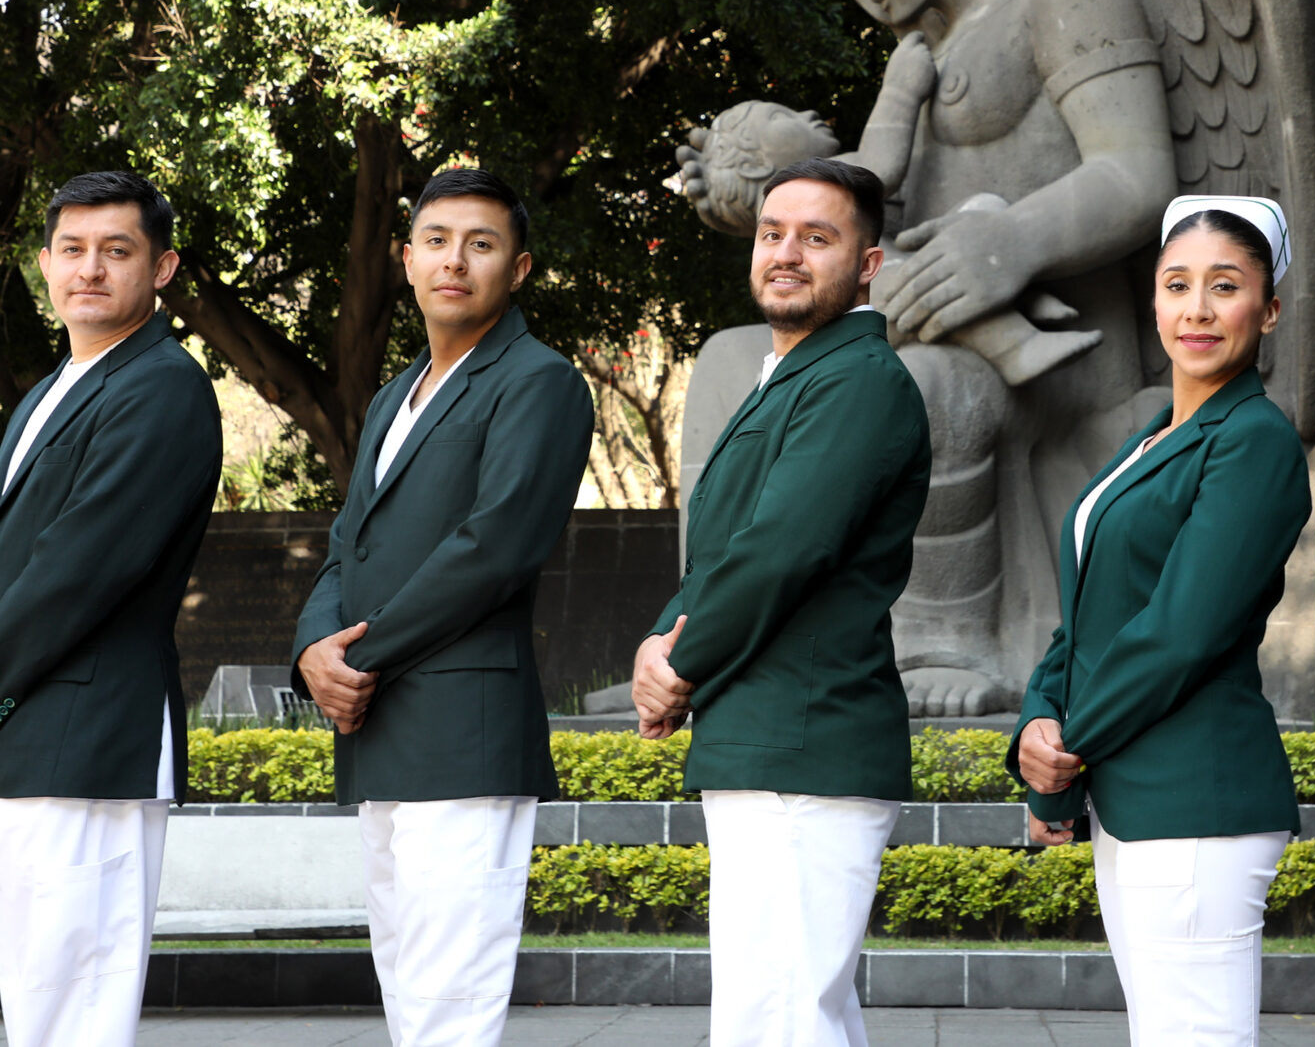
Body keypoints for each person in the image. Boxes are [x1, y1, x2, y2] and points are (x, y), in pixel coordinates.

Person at [0, 170, 223, 1047]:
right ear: (44, 262)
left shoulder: (161, 387)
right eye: (73, 250)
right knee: (43, 1001)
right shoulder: (51, 390)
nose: (90, 269)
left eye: (116, 251)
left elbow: (78, 569)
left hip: (95, 736)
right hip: (25, 733)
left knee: (75, 1004)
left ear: (160, 269)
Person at [631, 157, 933, 1047]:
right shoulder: (795, 374)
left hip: (808, 744)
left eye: (818, 236)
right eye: (773, 234)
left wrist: (674, 663)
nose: (787, 253)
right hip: (765, 741)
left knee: (786, 1019)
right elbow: (727, 550)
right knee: (779, 1016)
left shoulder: (859, 381)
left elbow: (782, 550)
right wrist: (658, 643)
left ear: (869, 262)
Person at [291, 166, 592, 1047]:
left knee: (451, 992)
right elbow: (351, 540)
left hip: (464, 727)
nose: (453, 260)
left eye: (481, 244)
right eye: (435, 240)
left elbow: (494, 546)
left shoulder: (537, 381)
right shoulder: (394, 396)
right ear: (407, 259)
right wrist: (315, 647)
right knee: (409, 982)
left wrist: (361, 653)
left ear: (520, 268)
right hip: (381, 729)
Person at [1011, 195, 1313, 1047]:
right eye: (1178, 285)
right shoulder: (1151, 439)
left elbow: (1179, 632)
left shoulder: (1253, 440)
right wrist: (1039, 712)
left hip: (1196, 799)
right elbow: (1089, 617)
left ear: (1271, 308)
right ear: (1153, 301)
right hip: (1138, 799)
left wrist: (1063, 758)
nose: (1198, 309)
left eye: (1226, 286)